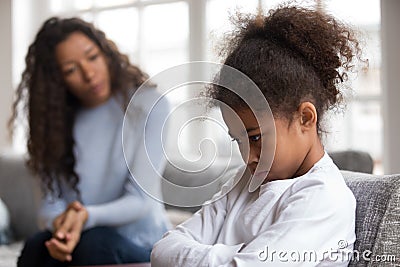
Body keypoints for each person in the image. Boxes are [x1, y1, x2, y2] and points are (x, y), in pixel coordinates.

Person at [151, 5, 365, 267]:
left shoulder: (324, 200)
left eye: (254, 138)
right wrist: (243, 253)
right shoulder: (245, 182)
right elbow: (162, 252)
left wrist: (229, 254)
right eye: (237, 140)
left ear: (305, 118)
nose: (248, 157)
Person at [9, 16, 170, 266]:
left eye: (92, 57)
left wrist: (85, 217)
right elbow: (48, 206)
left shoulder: (149, 104)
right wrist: (63, 232)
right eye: (71, 70)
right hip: (80, 235)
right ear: (56, 80)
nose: (89, 74)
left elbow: (141, 201)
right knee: (36, 248)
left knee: (93, 245)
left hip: (140, 243)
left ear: (106, 53)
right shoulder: (51, 124)